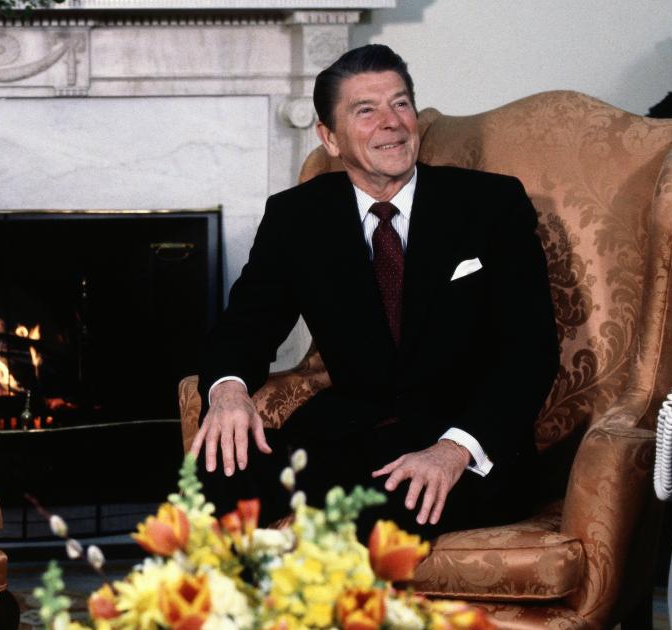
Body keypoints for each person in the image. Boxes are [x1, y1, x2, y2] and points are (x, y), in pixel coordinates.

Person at [191, 44, 559, 538]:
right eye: (366, 110)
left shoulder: (491, 204)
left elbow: (531, 351)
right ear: (330, 138)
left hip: (467, 443)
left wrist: (453, 449)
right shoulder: (296, 217)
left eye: (400, 103)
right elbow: (245, 327)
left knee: (378, 509)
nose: (392, 123)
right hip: (351, 435)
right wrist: (229, 391)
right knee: (211, 473)